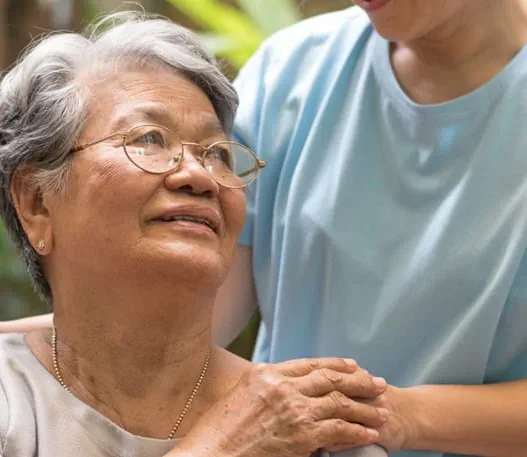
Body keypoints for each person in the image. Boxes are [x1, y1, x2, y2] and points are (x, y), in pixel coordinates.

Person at [5, 1, 527, 456]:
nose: (198, 174)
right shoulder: (295, 73)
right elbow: (164, 312)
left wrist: (386, 414)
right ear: (34, 201)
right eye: (148, 139)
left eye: (216, 154)